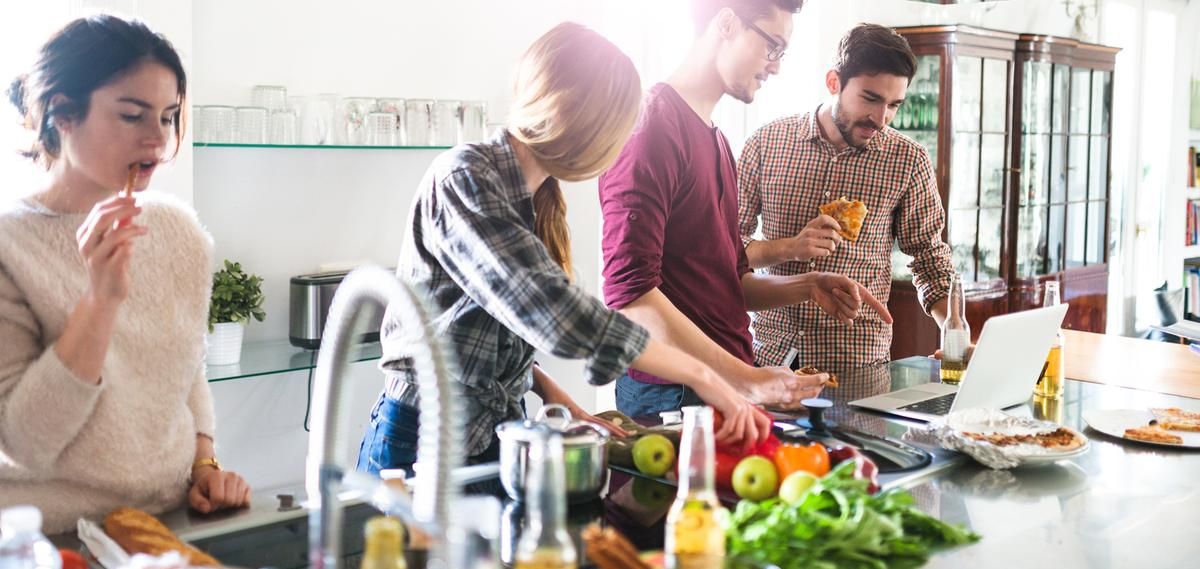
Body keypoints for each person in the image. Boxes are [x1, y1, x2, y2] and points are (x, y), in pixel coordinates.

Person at [357, 22, 774, 476]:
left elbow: (488, 332)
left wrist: (556, 396)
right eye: (618, 128)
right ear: (578, 116)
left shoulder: (532, 197)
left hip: (489, 433)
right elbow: (553, 310)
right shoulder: (464, 178)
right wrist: (704, 375)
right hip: (420, 439)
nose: (620, 145)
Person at [0, 14, 251, 534]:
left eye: (168, 117)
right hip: (53, 539)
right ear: (62, 114)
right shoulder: (11, 246)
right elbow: (25, 443)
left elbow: (185, 370)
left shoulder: (178, 230)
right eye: (133, 116)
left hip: (168, 520)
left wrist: (205, 465)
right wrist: (99, 302)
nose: (157, 139)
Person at [600, 0, 891, 419]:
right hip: (675, 392)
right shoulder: (651, 128)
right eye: (772, 46)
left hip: (722, 383)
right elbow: (631, 298)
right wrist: (747, 379)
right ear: (726, 23)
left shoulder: (717, 139)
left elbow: (729, 282)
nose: (776, 66)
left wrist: (807, 285)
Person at [737, 24, 955, 372]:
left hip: (858, 363)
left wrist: (954, 329)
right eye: (870, 99)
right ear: (833, 82)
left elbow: (930, 257)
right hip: (771, 358)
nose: (881, 119)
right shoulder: (766, 144)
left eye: (894, 105)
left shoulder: (908, 160)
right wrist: (790, 247)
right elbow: (727, 248)